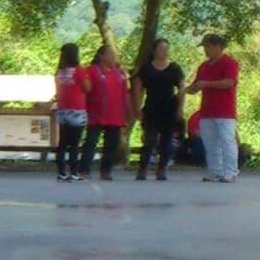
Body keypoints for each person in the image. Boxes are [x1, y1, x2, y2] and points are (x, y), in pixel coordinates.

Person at [185, 33, 240, 182]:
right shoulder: (203, 66)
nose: (206, 50)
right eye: (204, 47)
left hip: (224, 111)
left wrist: (207, 84)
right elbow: (197, 85)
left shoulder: (230, 63)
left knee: (227, 141)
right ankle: (216, 170)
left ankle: (231, 171)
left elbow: (229, 82)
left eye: (208, 46)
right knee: (210, 142)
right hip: (207, 111)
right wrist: (188, 89)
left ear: (218, 47)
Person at [131, 39, 184, 181]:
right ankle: (142, 169)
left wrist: (180, 108)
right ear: (154, 51)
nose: (164, 52)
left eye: (166, 49)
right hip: (152, 107)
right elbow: (137, 88)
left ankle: (162, 170)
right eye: (161, 49)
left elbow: (181, 88)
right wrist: (137, 108)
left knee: (167, 141)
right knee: (149, 140)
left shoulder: (174, 68)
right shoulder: (146, 68)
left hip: (169, 108)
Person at [78, 45, 130, 181]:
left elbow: (125, 93)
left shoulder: (119, 73)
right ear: (101, 56)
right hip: (96, 113)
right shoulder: (91, 70)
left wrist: (128, 111)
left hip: (115, 114)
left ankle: (106, 170)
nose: (113, 57)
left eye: (114, 54)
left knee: (111, 144)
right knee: (91, 142)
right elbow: (85, 89)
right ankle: (84, 170)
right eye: (110, 54)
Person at [52, 42, 92, 181]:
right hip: (77, 109)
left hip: (63, 109)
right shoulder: (79, 70)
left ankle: (61, 171)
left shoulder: (59, 72)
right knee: (75, 144)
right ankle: (74, 172)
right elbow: (87, 88)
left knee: (63, 142)